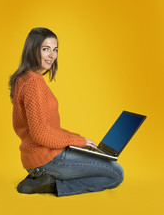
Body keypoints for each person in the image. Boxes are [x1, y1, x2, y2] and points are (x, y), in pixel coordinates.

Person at [8, 27, 124, 197]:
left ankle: (42, 178)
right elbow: (41, 134)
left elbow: (47, 128)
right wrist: (77, 141)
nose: (51, 55)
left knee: (103, 162)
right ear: (33, 50)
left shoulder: (25, 78)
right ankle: (52, 184)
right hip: (46, 159)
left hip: (38, 157)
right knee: (116, 173)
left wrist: (78, 141)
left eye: (55, 50)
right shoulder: (33, 83)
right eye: (45, 49)